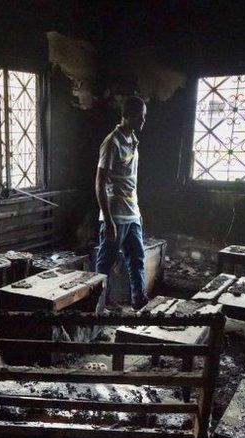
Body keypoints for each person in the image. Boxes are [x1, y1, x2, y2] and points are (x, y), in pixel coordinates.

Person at [95, 95, 148, 310]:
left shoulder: (134, 140)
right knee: (105, 263)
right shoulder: (112, 143)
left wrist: (138, 211)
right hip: (115, 215)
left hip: (132, 214)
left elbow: (130, 182)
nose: (143, 122)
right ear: (127, 116)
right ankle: (98, 304)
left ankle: (139, 301)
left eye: (144, 117)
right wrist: (108, 221)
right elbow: (99, 184)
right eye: (140, 117)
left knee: (137, 259)